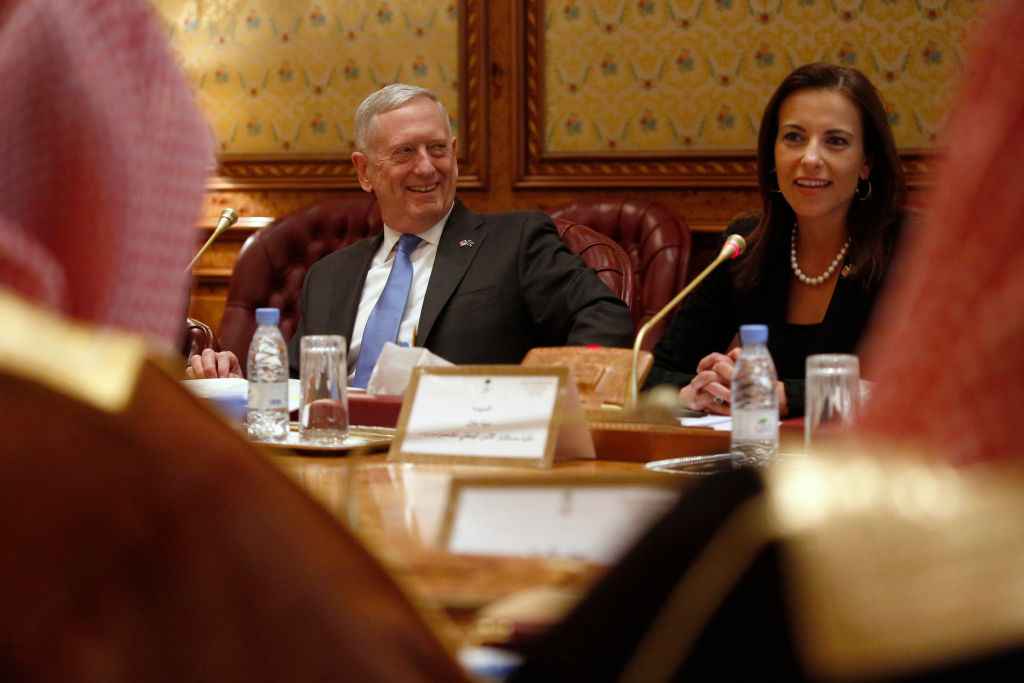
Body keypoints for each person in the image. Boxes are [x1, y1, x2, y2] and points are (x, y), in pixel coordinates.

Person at [189, 84, 634, 383]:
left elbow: (603, 317)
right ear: (364, 171)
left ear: (454, 154)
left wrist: (558, 396)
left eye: (437, 148)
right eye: (404, 152)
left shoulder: (514, 241)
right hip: (333, 456)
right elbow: (298, 386)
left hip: (456, 454)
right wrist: (236, 382)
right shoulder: (329, 275)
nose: (426, 166)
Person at [644, 63, 905, 417]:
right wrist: (701, 391)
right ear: (773, 154)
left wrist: (785, 397)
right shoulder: (744, 246)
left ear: (866, 162)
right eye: (794, 137)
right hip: (761, 461)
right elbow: (653, 375)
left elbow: (923, 388)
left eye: (836, 141)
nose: (810, 158)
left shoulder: (912, 247)